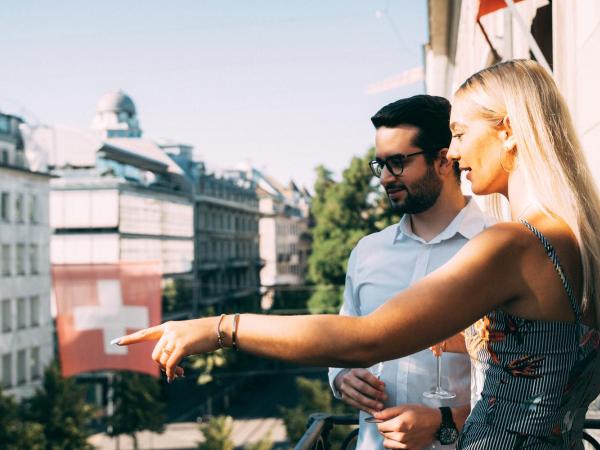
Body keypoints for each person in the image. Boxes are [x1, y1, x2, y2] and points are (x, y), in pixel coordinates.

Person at [116, 60, 600, 449]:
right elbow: (540, 362)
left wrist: (221, 328)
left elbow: (364, 338)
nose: (452, 152)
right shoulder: (569, 240)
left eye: (460, 133)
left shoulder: (512, 242)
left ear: (509, 132)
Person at [329, 95, 492, 450]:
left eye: (399, 163)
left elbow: (523, 386)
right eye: (381, 164)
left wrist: (445, 421)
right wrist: (341, 377)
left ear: (443, 160)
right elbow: (345, 342)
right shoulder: (367, 252)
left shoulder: (496, 248)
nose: (386, 178)